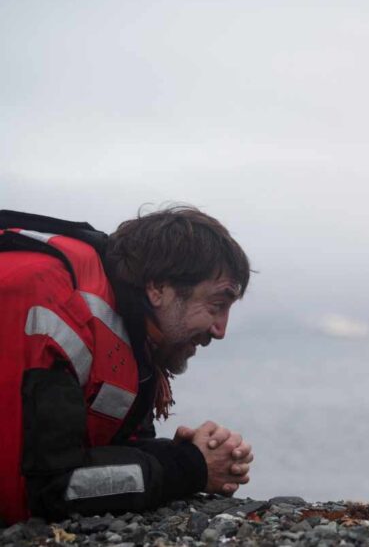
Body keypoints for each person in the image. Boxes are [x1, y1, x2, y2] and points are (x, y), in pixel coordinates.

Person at [0, 206, 254, 524]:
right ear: (158, 288)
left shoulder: (132, 338)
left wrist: (182, 454)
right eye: (217, 305)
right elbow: (49, 489)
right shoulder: (51, 304)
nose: (221, 330)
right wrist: (189, 468)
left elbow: (112, 447)